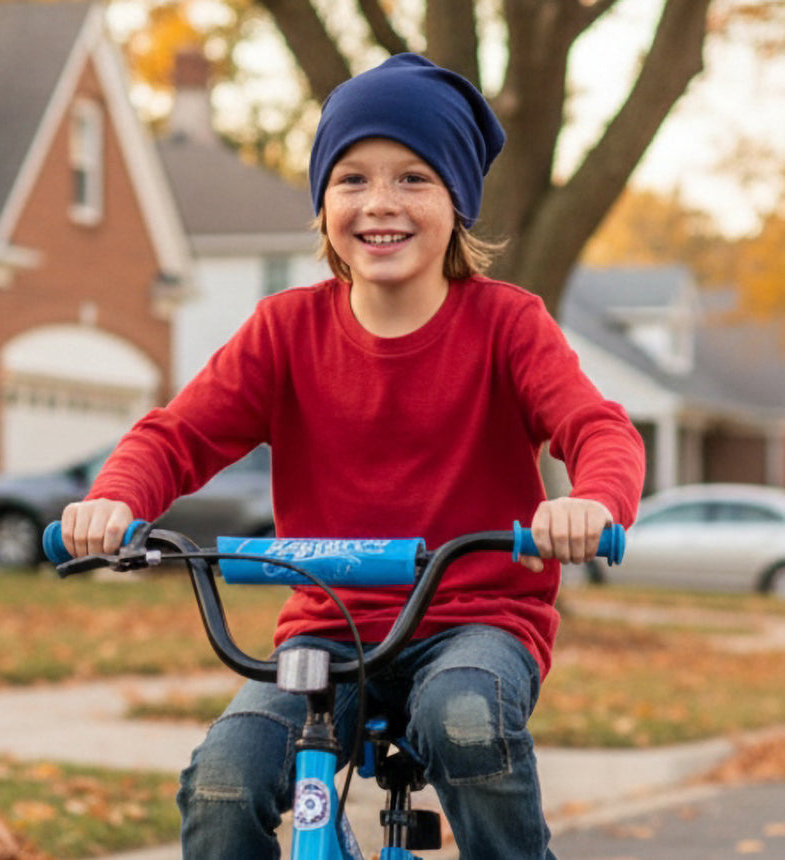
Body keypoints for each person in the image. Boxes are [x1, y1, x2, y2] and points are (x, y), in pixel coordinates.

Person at [61, 53, 645, 859]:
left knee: (465, 720)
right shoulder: (285, 331)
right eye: (352, 179)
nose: (379, 203)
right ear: (323, 204)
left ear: (456, 201)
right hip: (326, 629)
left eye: (413, 178)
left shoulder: (507, 325)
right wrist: (117, 499)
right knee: (222, 784)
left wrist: (593, 502)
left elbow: (599, 428)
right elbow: (178, 436)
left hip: (476, 621)